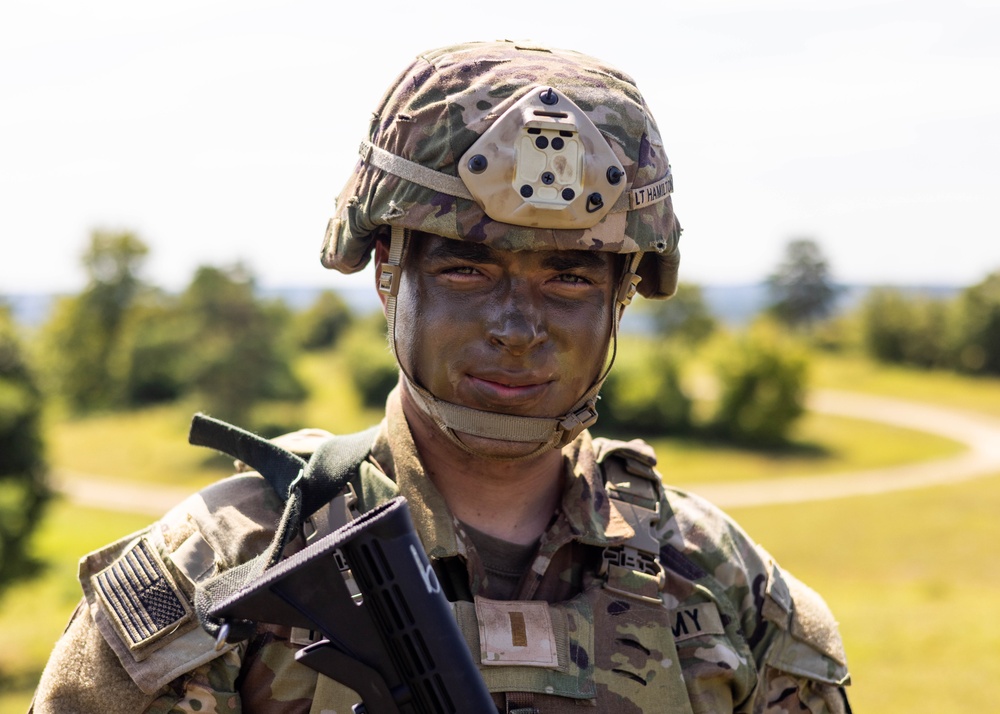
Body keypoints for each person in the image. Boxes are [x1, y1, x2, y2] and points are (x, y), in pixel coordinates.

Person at [32, 40, 851, 713]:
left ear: (624, 293)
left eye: (569, 279)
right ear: (389, 269)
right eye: (467, 272)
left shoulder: (723, 586)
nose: (517, 330)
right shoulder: (227, 569)